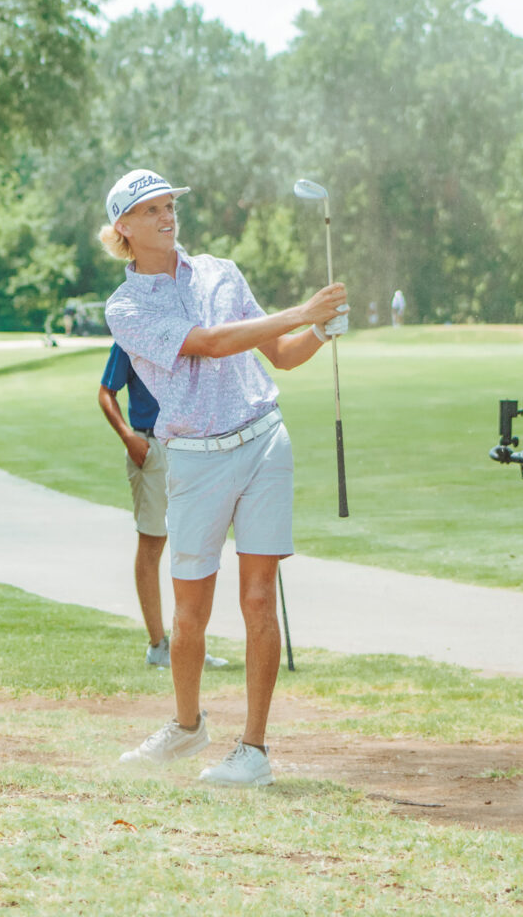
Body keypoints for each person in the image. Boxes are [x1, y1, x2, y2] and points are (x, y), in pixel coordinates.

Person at [99, 167, 347, 786]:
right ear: (123, 228)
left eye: (170, 205)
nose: (167, 216)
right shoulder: (124, 307)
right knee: (190, 616)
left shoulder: (221, 271)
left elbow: (282, 356)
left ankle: (254, 751)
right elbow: (207, 343)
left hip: (263, 439)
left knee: (258, 596)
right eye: (151, 210)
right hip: (194, 458)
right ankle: (187, 728)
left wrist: (317, 329)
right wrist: (300, 309)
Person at [98, 345, 229, 670]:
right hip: (150, 447)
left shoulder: (190, 335)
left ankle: (190, 643)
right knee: (153, 542)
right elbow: (106, 392)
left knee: (195, 546)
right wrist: (129, 438)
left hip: (193, 447)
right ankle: (159, 646)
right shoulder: (131, 336)